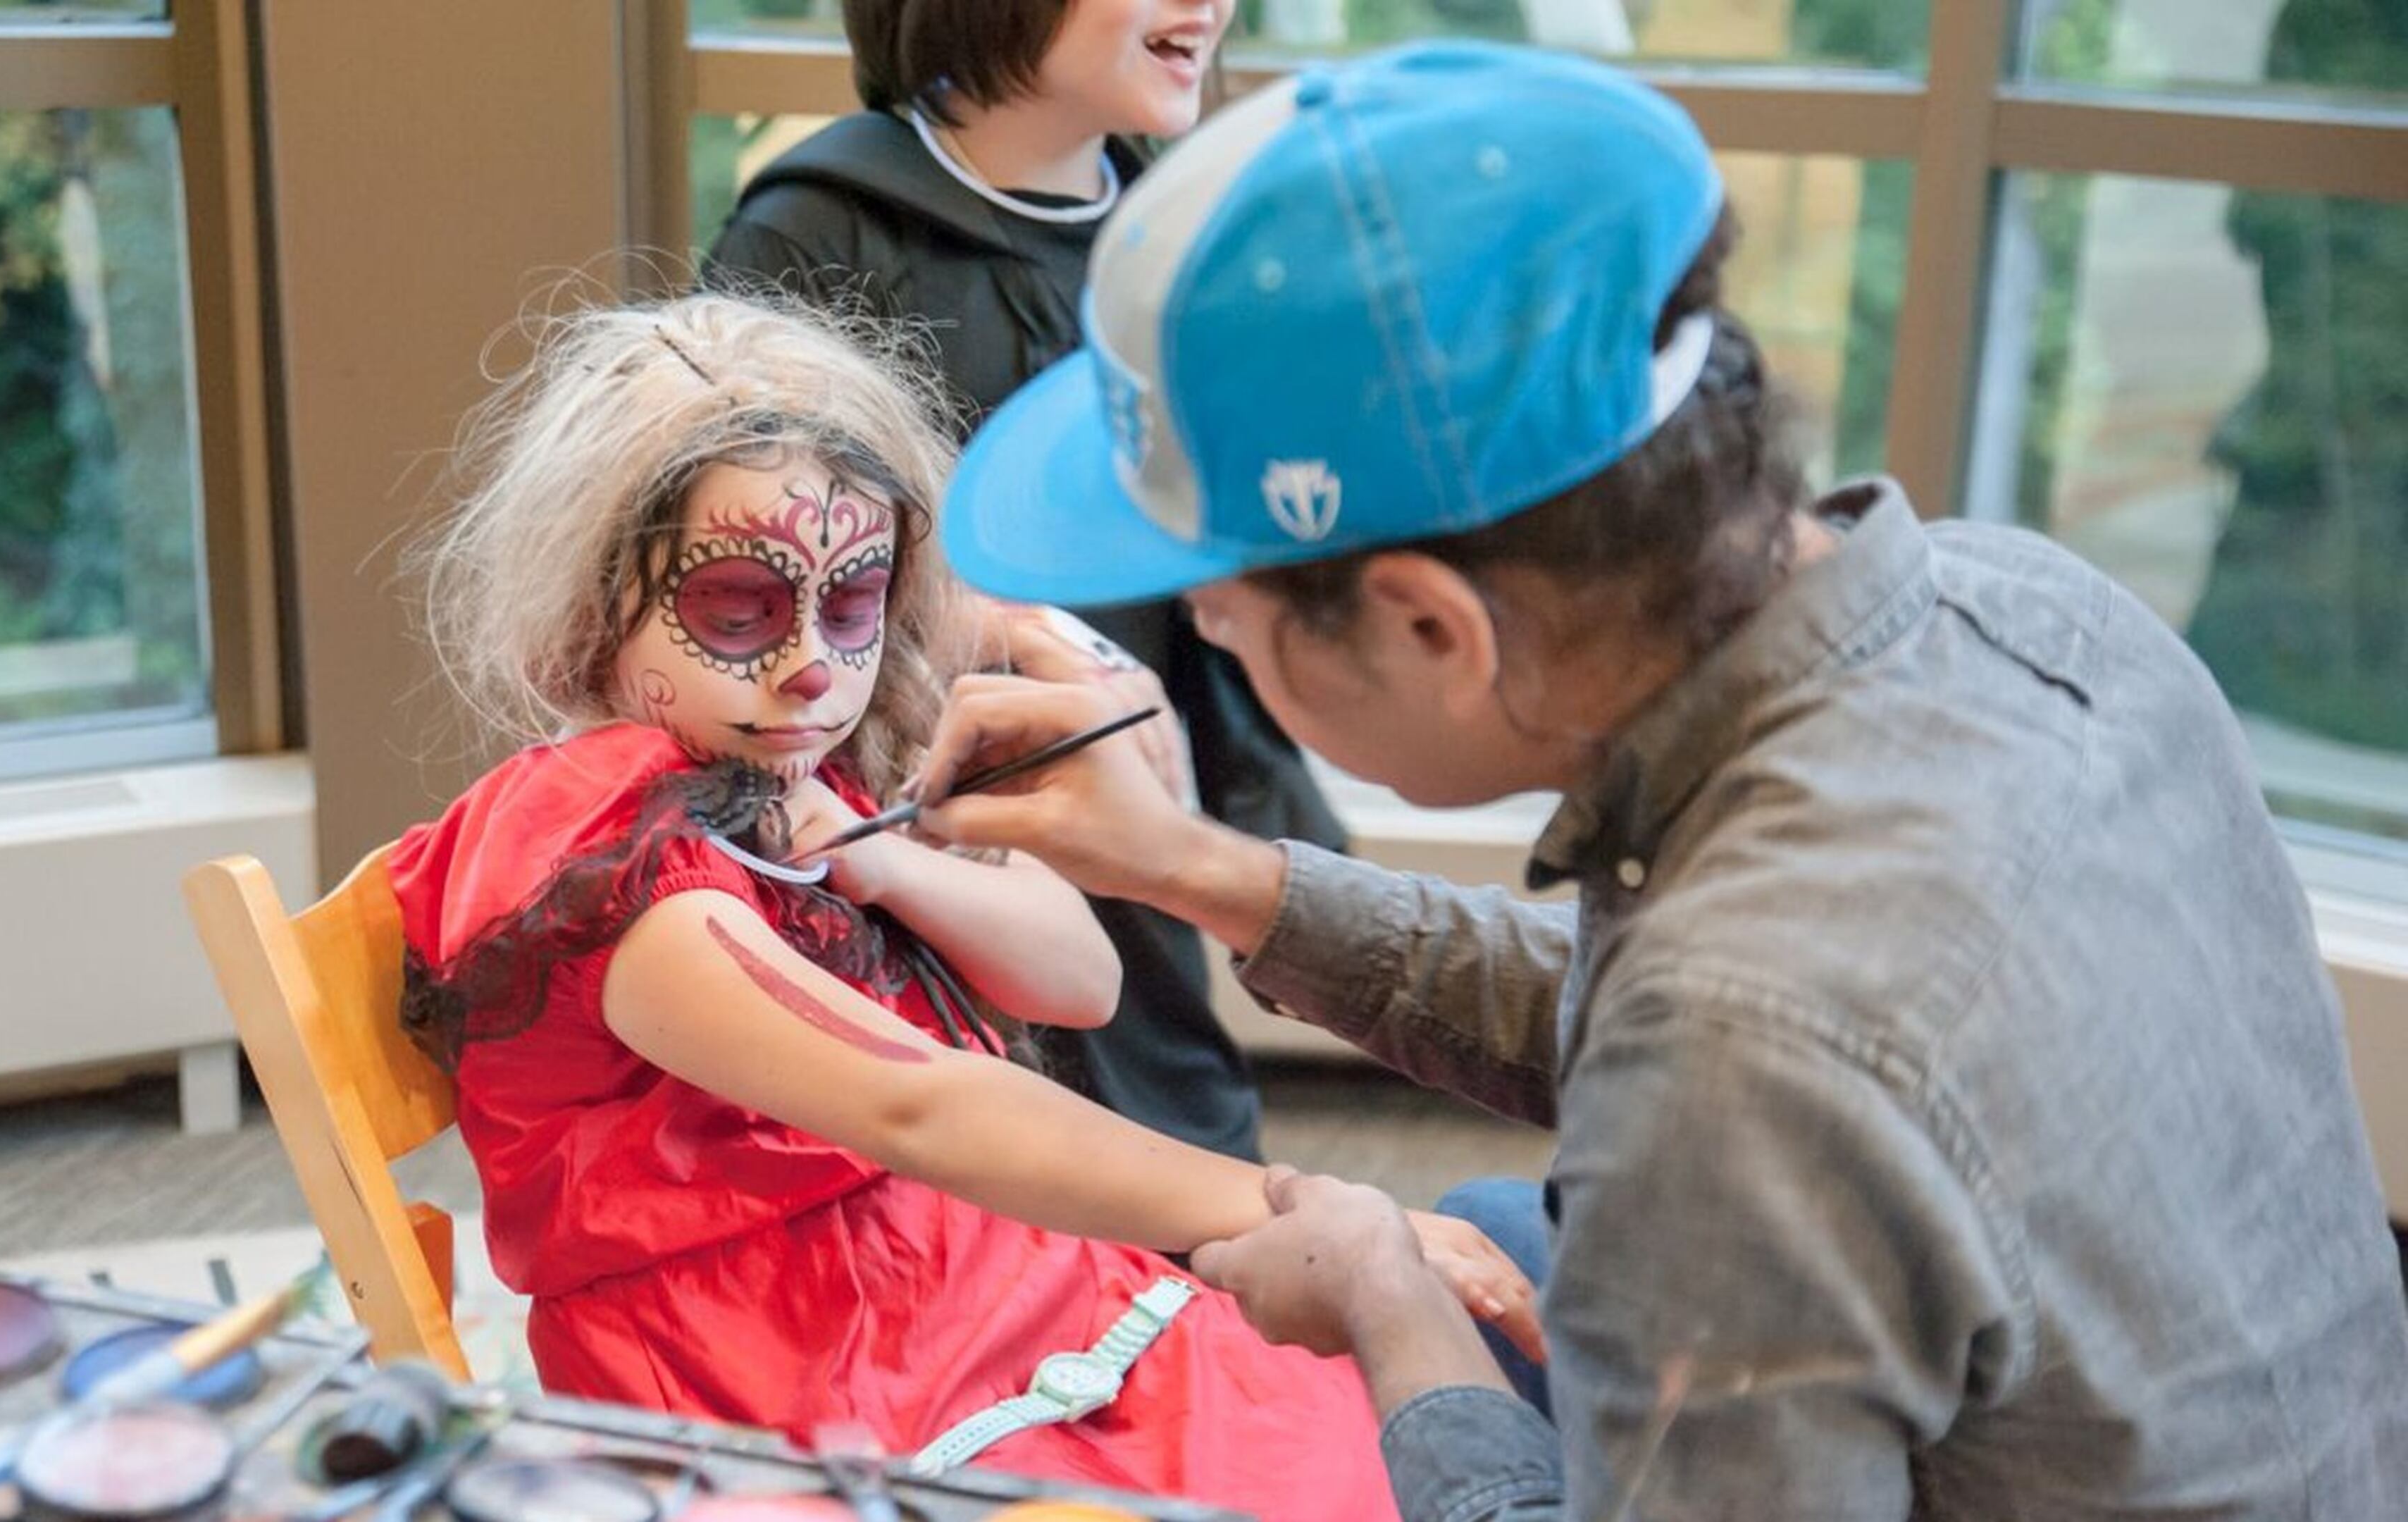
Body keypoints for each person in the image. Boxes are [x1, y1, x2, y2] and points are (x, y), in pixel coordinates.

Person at [894, 42, 2408, 1521]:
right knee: (1498, 1226)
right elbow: (1703, 1019)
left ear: (1432, 625)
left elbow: (1735, 1047)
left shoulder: (1744, 1055)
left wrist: (1383, 1308)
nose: (1205, 637)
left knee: (1443, 1284)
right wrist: (1195, 864)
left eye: (1220, 612)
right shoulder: (2031, 605)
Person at [390, 290, 1539, 1518]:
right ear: (592, 602)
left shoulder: (780, 772)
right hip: (781, 1384)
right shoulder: (601, 861)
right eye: (739, 609)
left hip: (972, 1297)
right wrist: (1322, 1220)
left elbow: (1079, 980)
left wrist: (879, 862)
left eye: (851, 601)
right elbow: (919, 1105)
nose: (813, 666)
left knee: (1390, 1425)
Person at [701, 0, 1339, 1165]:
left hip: (1129, 824)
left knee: (1190, 1197)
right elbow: (742, 570)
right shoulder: (816, 234)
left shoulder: (1182, 234)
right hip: (904, 842)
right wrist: (1018, 630)